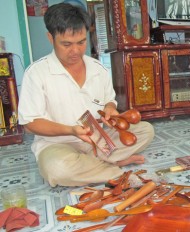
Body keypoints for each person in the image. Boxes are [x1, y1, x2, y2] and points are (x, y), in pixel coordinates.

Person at [18, 3, 154, 187]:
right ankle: (114, 166)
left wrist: (110, 109)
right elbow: (30, 124)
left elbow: (109, 101)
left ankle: (96, 164)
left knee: (146, 130)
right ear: (50, 38)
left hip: (99, 140)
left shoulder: (98, 69)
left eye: (81, 42)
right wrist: (72, 130)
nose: (75, 51)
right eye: (66, 44)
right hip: (58, 144)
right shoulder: (36, 73)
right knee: (57, 169)